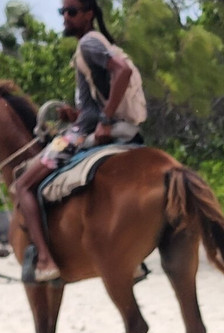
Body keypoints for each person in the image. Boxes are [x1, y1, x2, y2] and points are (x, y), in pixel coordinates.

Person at [11, 0, 139, 283]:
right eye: (62, 12)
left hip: (81, 132)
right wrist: (77, 112)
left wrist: (103, 120)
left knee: (22, 185)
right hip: (95, 123)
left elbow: (123, 71)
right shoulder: (98, 43)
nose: (65, 18)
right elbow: (100, 96)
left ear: (89, 14)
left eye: (72, 12)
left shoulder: (88, 45)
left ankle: (45, 259)